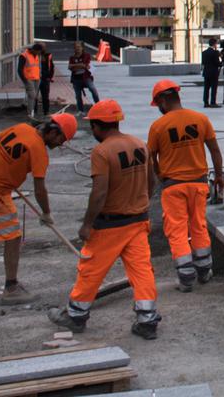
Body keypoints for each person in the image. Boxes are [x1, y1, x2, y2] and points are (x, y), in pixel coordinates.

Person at [48, 99, 160, 339]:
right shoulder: (139, 144)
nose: (92, 131)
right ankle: (147, 320)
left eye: (92, 127)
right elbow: (151, 180)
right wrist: (141, 203)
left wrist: (87, 224)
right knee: (141, 272)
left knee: (91, 269)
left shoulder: (102, 151)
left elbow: (99, 191)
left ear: (99, 125)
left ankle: (76, 316)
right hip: (138, 220)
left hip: (111, 224)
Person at [0, 114, 77, 303]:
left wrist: (1, 166)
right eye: (61, 139)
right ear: (52, 132)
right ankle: (11, 288)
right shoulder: (39, 151)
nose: (61, 144)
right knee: (13, 237)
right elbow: (40, 189)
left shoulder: (22, 128)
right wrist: (46, 213)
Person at [147, 80, 224, 292]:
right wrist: (219, 176)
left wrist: (157, 173)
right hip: (199, 184)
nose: (159, 110)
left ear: (162, 101)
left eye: (158, 105)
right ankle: (204, 270)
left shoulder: (158, 127)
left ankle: (186, 276)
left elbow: (149, 157)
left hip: (173, 187)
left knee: (177, 230)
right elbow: (215, 151)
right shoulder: (200, 119)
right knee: (198, 225)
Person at [68, 41, 99, 114]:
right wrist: (80, 65)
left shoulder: (87, 55)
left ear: (82, 48)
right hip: (76, 78)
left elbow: (85, 65)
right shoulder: (72, 57)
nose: (77, 49)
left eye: (79, 47)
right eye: (75, 47)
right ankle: (81, 110)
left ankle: (98, 106)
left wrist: (75, 65)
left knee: (93, 89)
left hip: (86, 77)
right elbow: (70, 67)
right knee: (78, 95)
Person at [17, 43, 44, 121]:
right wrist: (24, 80)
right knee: (32, 95)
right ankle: (30, 113)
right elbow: (19, 69)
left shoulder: (37, 55)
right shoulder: (24, 55)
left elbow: (37, 66)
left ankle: (32, 111)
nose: (39, 54)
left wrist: (40, 75)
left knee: (35, 96)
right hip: (28, 79)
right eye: (38, 52)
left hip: (37, 78)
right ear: (34, 50)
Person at [202, 38, 222, 108]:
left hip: (206, 72)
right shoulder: (215, 53)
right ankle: (213, 102)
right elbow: (217, 63)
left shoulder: (204, 52)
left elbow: (203, 63)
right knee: (214, 88)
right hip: (213, 73)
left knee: (206, 88)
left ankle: (206, 102)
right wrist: (221, 62)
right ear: (214, 44)